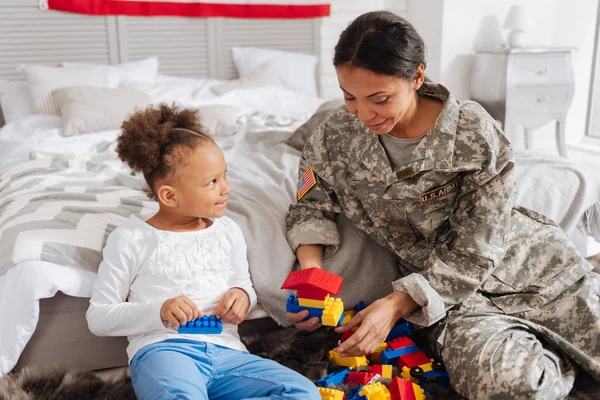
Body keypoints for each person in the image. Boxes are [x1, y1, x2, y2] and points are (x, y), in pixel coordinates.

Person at [286, 11, 600, 400]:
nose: (364, 114)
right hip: (448, 302)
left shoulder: (474, 132)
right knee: (510, 388)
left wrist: (397, 303)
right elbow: (309, 205)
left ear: (417, 77)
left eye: (380, 98)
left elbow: (479, 244)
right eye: (350, 96)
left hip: (535, 270)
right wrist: (310, 277)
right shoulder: (333, 137)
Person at [87, 104, 320, 400]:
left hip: (228, 353)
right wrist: (158, 309)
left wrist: (242, 297)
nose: (226, 188)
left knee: (303, 392)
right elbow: (99, 317)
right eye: (212, 182)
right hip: (165, 351)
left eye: (224, 175)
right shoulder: (131, 238)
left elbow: (242, 283)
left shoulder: (228, 230)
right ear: (169, 195)